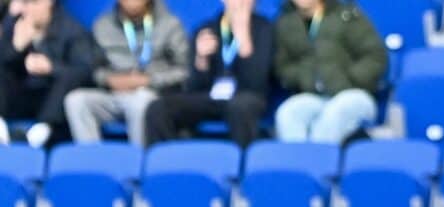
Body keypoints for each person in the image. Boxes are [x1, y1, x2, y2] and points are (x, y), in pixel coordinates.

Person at [140, 0, 269, 148]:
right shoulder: (207, 29)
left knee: (240, 107)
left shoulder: (263, 29)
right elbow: (193, 86)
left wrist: (244, 38)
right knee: (158, 108)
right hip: (210, 96)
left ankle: (243, 161)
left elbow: (256, 83)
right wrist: (201, 60)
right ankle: (168, 158)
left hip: (245, 97)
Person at [65, 0, 187, 148]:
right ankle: (90, 157)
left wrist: (149, 80)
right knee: (76, 100)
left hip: (151, 93)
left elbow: (184, 70)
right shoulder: (103, 25)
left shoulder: (169, 24)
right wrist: (108, 80)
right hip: (114, 93)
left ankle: (139, 158)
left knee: (140, 101)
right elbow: (94, 69)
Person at [272, 0, 385, 145]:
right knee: (288, 113)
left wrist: (348, 80)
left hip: (354, 94)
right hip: (313, 96)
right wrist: (305, 79)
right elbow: (283, 67)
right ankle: (298, 159)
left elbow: (375, 57)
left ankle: (318, 158)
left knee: (336, 112)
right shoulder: (285, 22)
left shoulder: (346, 15)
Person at [0, 0, 97, 151]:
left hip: (51, 100)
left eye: (34, 3)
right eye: (25, 3)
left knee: (68, 78)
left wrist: (51, 68)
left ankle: (39, 134)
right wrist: (16, 48)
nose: (28, 9)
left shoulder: (70, 29)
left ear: (49, 3)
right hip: (20, 95)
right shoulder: (15, 25)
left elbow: (85, 71)